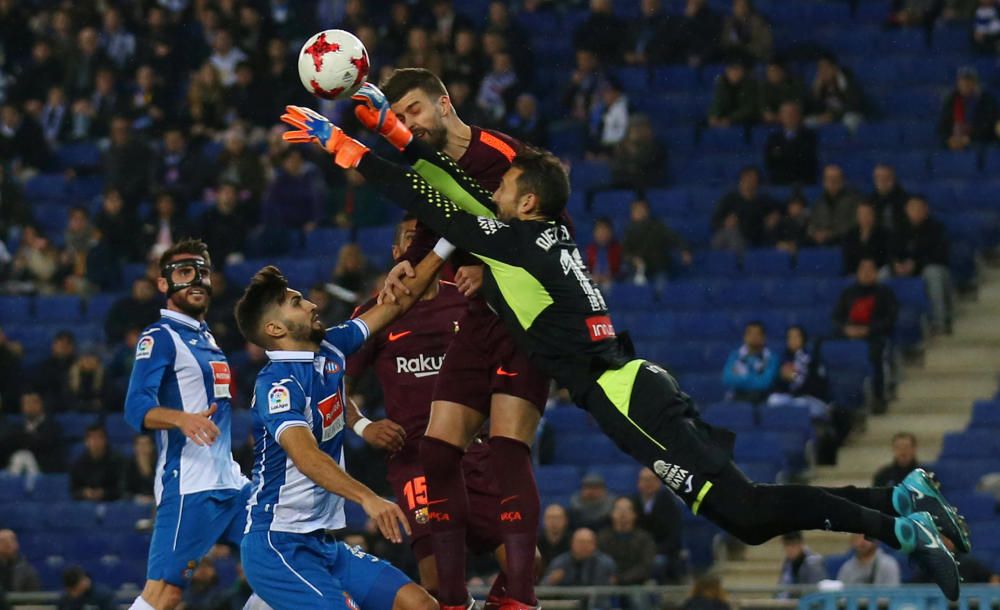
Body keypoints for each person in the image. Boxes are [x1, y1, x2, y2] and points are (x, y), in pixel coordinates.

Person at [282, 100, 968, 601]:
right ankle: (899, 499)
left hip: (626, 399)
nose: (493, 193)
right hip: (636, 384)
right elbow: (457, 189)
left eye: (506, 189)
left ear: (526, 204)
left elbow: (434, 202)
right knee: (747, 513)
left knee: (750, 515)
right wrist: (395, 130)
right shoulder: (541, 240)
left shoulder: (516, 246)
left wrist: (349, 147)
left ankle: (900, 528)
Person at [371, 69, 549, 610]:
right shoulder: (425, 164)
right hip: (482, 313)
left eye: (415, 111)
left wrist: (489, 273)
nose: (407, 124)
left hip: (527, 310)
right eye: (397, 118)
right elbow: (440, 216)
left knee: (508, 447)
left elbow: (539, 232)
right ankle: (455, 601)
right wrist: (407, 264)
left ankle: (517, 599)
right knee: (437, 447)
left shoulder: (501, 155)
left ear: (445, 104)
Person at [233, 258, 446, 610]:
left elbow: (398, 303)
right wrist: (369, 498)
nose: (313, 304)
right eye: (297, 303)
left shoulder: (331, 347)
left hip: (321, 543)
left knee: (421, 605)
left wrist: (446, 243)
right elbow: (307, 457)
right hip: (276, 544)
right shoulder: (278, 386)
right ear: (274, 328)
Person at [346, 216, 512, 602]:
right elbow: (335, 385)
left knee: (526, 564)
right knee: (436, 582)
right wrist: (364, 426)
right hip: (415, 458)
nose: (422, 247)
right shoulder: (376, 313)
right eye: (411, 239)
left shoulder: (469, 295)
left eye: (430, 239)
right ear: (396, 253)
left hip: (473, 453)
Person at [122, 240, 260, 610]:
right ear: (163, 284)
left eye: (202, 272)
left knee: (281, 555)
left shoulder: (207, 338)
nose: (197, 280)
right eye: (184, 272)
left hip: (230, 481)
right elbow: (135, 408)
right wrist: (180, 418)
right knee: (164, 595)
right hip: (191, 485)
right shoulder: (160, 336)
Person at [832, 258, 899, 410]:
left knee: (876, 354)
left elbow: (891, 318)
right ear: (857, 273)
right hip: (849, 335)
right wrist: (846, 329)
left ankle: (878, 397)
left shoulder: (884, 292)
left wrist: (869, 330)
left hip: (874, 335)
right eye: (863, 269)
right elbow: (836, 317)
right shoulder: (848, 292)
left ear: (876, 273)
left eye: (870, 270)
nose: (867, 273)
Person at [890, 196, 952, 333]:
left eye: (919, 208)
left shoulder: (937, 228)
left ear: (926, 210)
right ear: (906, 210)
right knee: (883, 274)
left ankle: (939, 322)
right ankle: (884, 320)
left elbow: (939, 255)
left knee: (933, 273)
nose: (915, 211)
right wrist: (896, 264)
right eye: (912, 208)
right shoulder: (900, 229)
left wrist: (916, 264)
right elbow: (892, 252)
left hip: (931, 268)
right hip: (904, 268)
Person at [766, 326, 829, 419]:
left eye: (796, 336)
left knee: (800, 403)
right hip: (791, 399)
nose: (793, 340)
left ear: (803, 339)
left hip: (812, 400)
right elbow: (776, 386)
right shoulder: (783, 359)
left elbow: (818, 386)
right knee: (774, 399)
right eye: (790, 337)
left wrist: (795, 376)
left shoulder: (812, 359)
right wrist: (783, 378)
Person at [623, 199, 690, 284]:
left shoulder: (658, 227)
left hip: (658, 269)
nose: (639, 213)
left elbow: (674, 238)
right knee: (631, 288)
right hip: (639, 270)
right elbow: (624, 252)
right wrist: (633, 259)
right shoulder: (628, 231)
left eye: (641, 210)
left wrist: (684, 250)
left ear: (647, 212)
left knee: (661, 288)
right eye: (636, 210)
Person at [632, 468, 684, 578]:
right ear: (638, 483)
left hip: (662, 551)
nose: (648, 484)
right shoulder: (633, 503)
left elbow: (674, 536)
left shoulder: (670, 504)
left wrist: (654, 551)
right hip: (637, 550)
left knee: (658, 562)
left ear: (659, 482)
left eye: (652, 480)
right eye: (645, 480)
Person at [711, 166, 780, 247]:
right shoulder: (729, 199)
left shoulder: (763, 201)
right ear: (742, 179)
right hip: (730, 236)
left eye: (754, 179)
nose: (750, 182)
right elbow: (714, 222)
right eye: (748, 178)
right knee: (730, 234)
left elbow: (781, 210)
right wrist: (725, 223)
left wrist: (775, 216)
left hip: (753, 238)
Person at [597, 497, 656, 585]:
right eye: (619, 509)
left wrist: (621, 579)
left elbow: (646, 565)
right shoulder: (602, 537)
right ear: (612, 514)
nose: (622, 513)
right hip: (608, 583)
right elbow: (599, 562)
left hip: (636, 583)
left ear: (634, 514)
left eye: (627, 510)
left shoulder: (644, 538)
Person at [938, 67, 1000, 150]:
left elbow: (988, 126)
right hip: (954, 143)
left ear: (975, 82)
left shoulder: (986, 100)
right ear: (958, 83)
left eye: (969, 81)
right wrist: (949, 140)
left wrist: (968, 139)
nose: (965, 84)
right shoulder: (951, 100)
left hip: (978, 143)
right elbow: (942, 127)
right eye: (963, 81)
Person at [3, 392, 63, 474]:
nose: (29, 406)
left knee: (23, 456)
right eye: (26, 403)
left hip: (43, 467)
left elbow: (43, 444)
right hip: (20, 464)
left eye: (33, 402)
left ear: (40, 404)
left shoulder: (51, 426)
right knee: (19, 457)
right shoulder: (18, 427)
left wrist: (24, 438)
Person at [722, 322, 780, 405]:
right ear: (744, 337)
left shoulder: (771, 358)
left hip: (762, 398)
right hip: (738, 396)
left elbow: (765, 382)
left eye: (757, 334)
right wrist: (756, 378)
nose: (753, 337)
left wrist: (741, 377)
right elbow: (727, 378)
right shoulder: (735, 356)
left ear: (764, 337)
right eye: (750, 334)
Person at [805, 55, 865, 132]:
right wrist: (816, 91)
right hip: (828, 116)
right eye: (820, 68)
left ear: (834, 68)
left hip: (848, 114)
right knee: (807, 122)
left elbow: (853, 105)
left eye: (826, 68)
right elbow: (813, 108)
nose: (823, 71)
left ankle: (851, 143)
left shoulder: (847, 81)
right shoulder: (820, 84)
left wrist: (833, 116)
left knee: (850, 119)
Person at [764, 101, 818, 185]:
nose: (789, 116)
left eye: (792, 113)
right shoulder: (773, 139)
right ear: (780, 116)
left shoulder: (809, 136)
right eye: (786, 113)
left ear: (798, 116)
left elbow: (809, 161)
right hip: (779, 182)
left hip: (803, 181)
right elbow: (770, 162)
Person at [542, 529, 616, 587]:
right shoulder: (560, 562)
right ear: (572, 543)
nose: (584, 546)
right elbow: (542, 587)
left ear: (595, 544)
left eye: (588, 542)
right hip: (567, 603)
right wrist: (551, 581)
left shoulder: (605, 563)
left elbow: (612, 588)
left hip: (597, 603)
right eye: (580, 542)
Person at [69, 424, 123, 502]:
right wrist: (84, 493)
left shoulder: (116, 461)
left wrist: (104, 493)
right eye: (92, 438)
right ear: (86, 442)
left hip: (111, 504)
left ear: (105, 440)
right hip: (86, 505)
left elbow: (121, 488)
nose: (95, 442)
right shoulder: (78, 464)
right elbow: (73, 490)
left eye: (99, 438)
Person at [810, 164, 860, 245]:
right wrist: (816, 233)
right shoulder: (819, 202)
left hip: (844, 242)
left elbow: (854, 224)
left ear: (842, 180)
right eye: (828, 179)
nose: (832, 182)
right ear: (824, 181)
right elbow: (811, 223)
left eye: (835, 179)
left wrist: (831, 234)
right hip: (821, 242)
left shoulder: (853, 200)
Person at [708, 57, 760, 128]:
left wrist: (731, 118)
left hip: (746, 120)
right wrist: (714, 115)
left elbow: (749, 108)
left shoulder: (750, 85)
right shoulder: (722, 84)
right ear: (727, 71)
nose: (734, 73)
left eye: (737, 70)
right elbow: (718, 102)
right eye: (732, 70)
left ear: (742, 72)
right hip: (726, 119)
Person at [842, 201, 890, 277]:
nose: (864, 217)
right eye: (862, 214)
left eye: (867, 214)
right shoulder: (850, 236)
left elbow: (885, 258)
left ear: (873, 215)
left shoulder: (883, 234)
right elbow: (849, 260)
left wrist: (870, 270)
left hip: (878, 273)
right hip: (856, 275)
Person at [836, 534, 902, 586]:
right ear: (852, 541)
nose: (862, 541)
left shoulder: (889, 565)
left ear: (877, 540)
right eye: (858, 536)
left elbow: (893, 598)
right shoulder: (846, 568)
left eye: (867, 536)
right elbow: (841, 598)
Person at [585, 217, 623, 289]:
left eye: (605, 230)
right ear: (594, 233)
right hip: (592, 283)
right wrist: (591, 277)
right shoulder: (588, 250)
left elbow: (622, 271)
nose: (603, 234)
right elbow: (582, 270)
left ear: (611, 232)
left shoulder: (618, 250)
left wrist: (611, 277)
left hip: (613, 285)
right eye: (599, 230)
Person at [869, 164, 909, 232]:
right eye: (878, 177)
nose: (882, 181)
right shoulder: (869, 201)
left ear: (894, 178)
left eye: (886, 177)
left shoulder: (905, 200)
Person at [123, 434, 156, 502]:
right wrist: (138, 498)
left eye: (146, 444)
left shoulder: (159, 466)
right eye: (140, 444)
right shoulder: (128, 466)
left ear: (152, 446)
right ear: (135, 447)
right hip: (134, 505)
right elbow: (124, 491)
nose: (142, 447)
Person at [538, 504, 571, 573]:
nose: (554, 521)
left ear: (566, 520)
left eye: (558, 518)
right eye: (550, 517)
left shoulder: (573, 542)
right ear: (543, 520)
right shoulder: (534, 543)